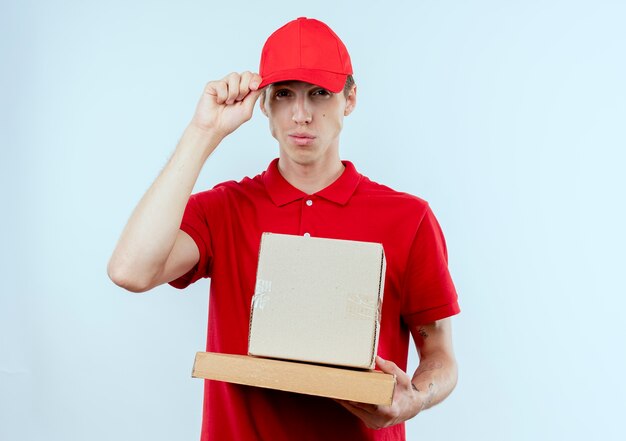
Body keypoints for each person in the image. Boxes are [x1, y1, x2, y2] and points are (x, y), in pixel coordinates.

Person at [108, 17, 460, 441]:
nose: (301, 115)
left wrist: (415, 398)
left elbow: (440, 355)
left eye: (318, 94)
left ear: (350, 99)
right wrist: (203, 132)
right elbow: (130, 270)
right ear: (264, 106)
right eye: (284, 95)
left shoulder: (408, 218)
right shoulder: (224, 209)